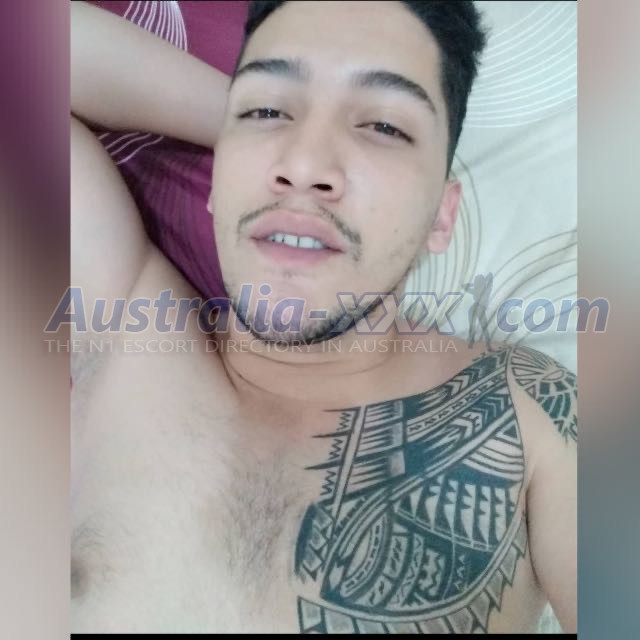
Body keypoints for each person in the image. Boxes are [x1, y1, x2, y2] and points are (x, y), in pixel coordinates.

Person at [70, 1, 577, 633]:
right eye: (266, 110)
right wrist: (246, 142)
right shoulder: (121, 330)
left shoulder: (533, 415)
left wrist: (267, 129)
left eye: (384, 126)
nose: (305, 167)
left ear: (442, 216)